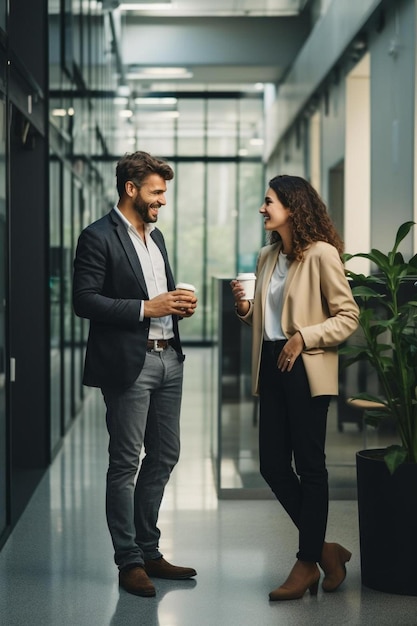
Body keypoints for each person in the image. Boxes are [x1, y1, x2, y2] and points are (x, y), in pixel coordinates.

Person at [73, 151, 198, 597]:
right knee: (125, 463)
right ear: (131, 189)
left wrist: (176, 303)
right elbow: (84, 301)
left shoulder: (155, 237)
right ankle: (128, 562)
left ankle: (149, 550)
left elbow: (155, 292)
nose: (162, 200)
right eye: (156, 192)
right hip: (130, 363)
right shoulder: (97, 237)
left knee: (165, 455)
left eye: (164, 192)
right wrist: (148, 308)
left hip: (169, 359)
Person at [230, 175, 359, 602]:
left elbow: (347, 316)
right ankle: (325, 551)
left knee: (310, 466)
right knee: (272, 464)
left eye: (269, 202)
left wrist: (305, 336)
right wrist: (246, 308)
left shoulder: (322, 254)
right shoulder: (268, 256)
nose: (263, 209)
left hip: (305, 367)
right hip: (272, 364)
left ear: (292, 206)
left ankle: (306, 563)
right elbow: (268, 323)